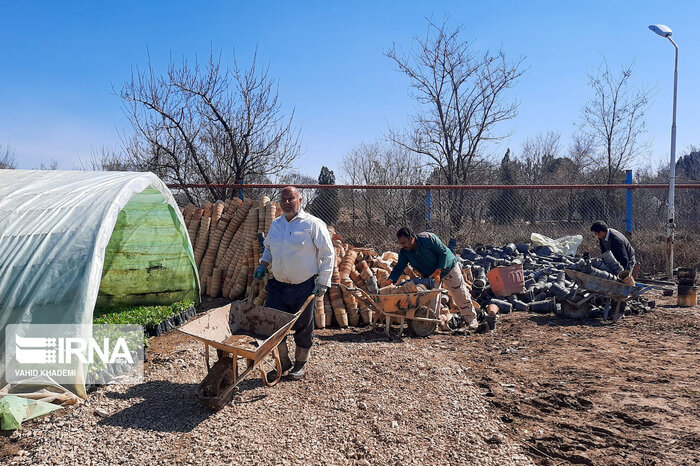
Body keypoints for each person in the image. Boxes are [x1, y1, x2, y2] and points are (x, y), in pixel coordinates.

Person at [254, 186, 335, 381]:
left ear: (300, 200)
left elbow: (328, 254)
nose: (287, 203)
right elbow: (269, 249)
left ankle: (300, 364)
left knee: (303, 326)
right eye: (284, 199)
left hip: (304, 286)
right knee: (273, 325)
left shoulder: (313, 224)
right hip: (278, 285)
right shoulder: (276, 225)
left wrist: (323, 282)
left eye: (291, 199)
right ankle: (283, 362)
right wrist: (263, 264)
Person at [387, 227, 479, 330]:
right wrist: (389, 281)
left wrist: (439, 270)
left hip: (448, 268)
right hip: (429, 274)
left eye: (404, 242)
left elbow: (443, 252)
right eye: (400, 243)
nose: (402, 246)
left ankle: (471, 319)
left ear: (412, 238)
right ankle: (432, 324)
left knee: (459, 292)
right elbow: (399, 266)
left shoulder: (428, 239)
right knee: (430, 298)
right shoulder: (405, 252)